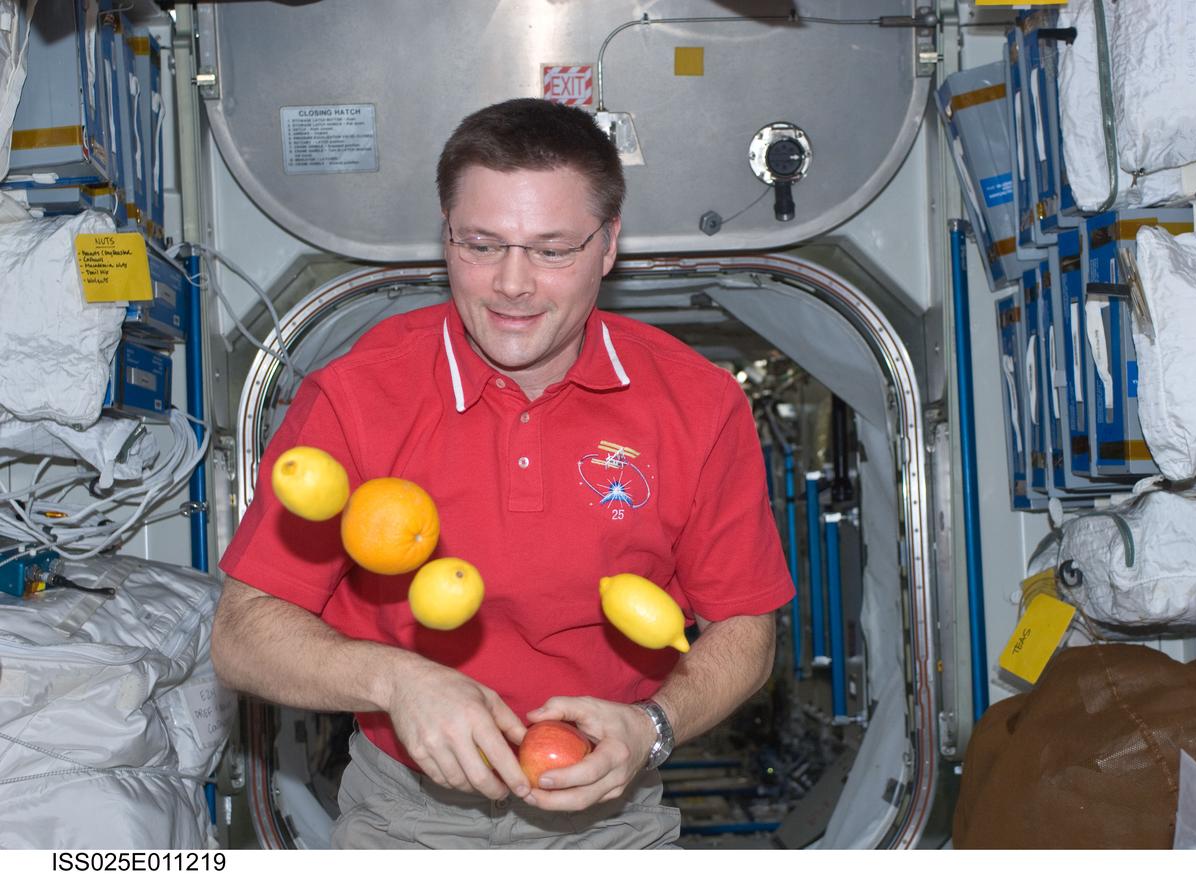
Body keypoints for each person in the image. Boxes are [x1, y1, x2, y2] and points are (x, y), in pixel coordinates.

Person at [211, 97, 795, 849]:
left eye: (552, 250)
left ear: (608, 246)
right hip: (405, 817)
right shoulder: (355, 397)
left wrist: (655, 725)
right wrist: (395, 680)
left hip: (611, 817)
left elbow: (745, 627)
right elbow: (243, 634)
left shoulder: (700, 404)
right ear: (446, 236)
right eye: (482, 244)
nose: (512, 284)